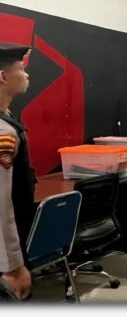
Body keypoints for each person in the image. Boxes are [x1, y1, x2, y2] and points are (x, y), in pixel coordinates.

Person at [0, 42, 33, 300]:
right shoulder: (3, 132)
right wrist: (12, 263)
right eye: (21, 69)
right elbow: (1, 202)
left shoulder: (7, 117)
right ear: (3, 76)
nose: (27, 74)